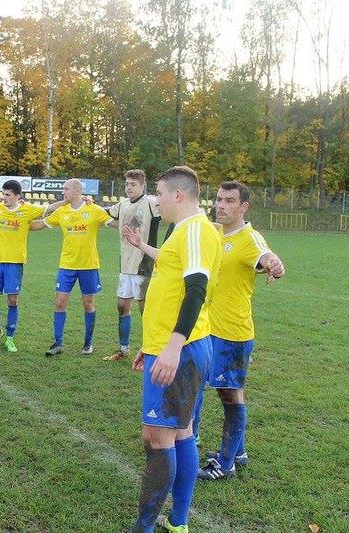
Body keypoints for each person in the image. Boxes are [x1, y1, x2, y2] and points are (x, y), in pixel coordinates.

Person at [122, 166, 221, 533]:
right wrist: (151, 346)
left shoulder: (195, 229)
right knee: (181, 432)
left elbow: (196, 288)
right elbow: (171, 269)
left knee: (158, 438)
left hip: (182, 349)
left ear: (178, 195)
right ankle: (178, 523)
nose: (156, 200)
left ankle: (144, 527)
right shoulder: (184, 231)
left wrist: (172, 346)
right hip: (174, 347)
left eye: (159, 194)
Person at [195, 181, 285, 481]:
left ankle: (226, 464)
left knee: (230, 395)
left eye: (229, 201)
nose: (221, 205)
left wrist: (274, 264)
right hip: (212, 326)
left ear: (243, 207)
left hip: (233, 332)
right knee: (228, 390)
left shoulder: (249, 237)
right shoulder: (217, 233)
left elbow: (266, 256)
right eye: (219, 199)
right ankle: (238, 452)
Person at [29, 178, 118, 356]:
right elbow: (38, 225)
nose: (63, 192)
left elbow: (113, 223)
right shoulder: (61, 212)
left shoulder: (94, 209)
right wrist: (22, 220)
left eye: (66, 189)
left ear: (77, 191)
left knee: (88, 304)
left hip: (89, 265)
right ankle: (58, 343)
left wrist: (132, 223)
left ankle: (88, 343)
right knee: (60, 302)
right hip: (66, 265)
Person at [0, 180, 65, 353]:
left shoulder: (27, 210)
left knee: (13, 300)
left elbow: (49, 208)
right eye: (3, 194)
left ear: (17, 196)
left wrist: (70, 200)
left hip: (15, 263)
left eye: (8, 195)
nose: (4, 198)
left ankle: (10, 338)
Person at [102, 169, 162, 362]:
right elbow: (106, 214)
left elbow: (169, 215)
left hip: (144, 264)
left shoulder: (151, 204)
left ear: (143, 186)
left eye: (133, 184)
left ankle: (151, 351)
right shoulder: (123, 205)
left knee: (145, 309)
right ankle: (123, 349)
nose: (129, 187)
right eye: (127, 184)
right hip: (125, 264)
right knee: (121, 306)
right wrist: (88, 205)